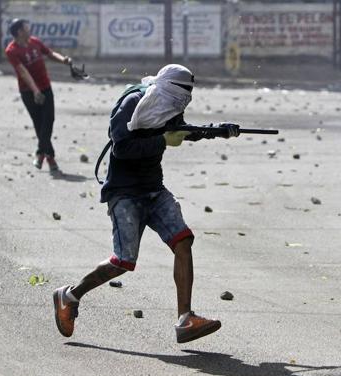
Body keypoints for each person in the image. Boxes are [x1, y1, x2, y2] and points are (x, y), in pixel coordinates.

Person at [52, 64, 240, 343]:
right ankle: (69, 296)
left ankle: (185, 319)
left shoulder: (168, 104)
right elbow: (122, 147)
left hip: (154, 188)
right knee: (123, 261)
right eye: (180, 95)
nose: (181, 102)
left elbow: (181, 130)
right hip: (124, 193)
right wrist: (161, 141)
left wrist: (218, 131)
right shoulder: (134, 102)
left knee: (183, 241)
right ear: (166, 87)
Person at [5, 18, 72, 172]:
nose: (29, 29)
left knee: (49, 120)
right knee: (39, 123)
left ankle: (40, 152)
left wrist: (64, 60)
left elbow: (49, 53)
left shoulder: (35, 41)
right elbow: (23, 71)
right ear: (20, 32)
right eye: (26, 27)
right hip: (28, 92)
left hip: (45, 87)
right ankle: (50, 157)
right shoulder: (12, 50)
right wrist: (35, 90)